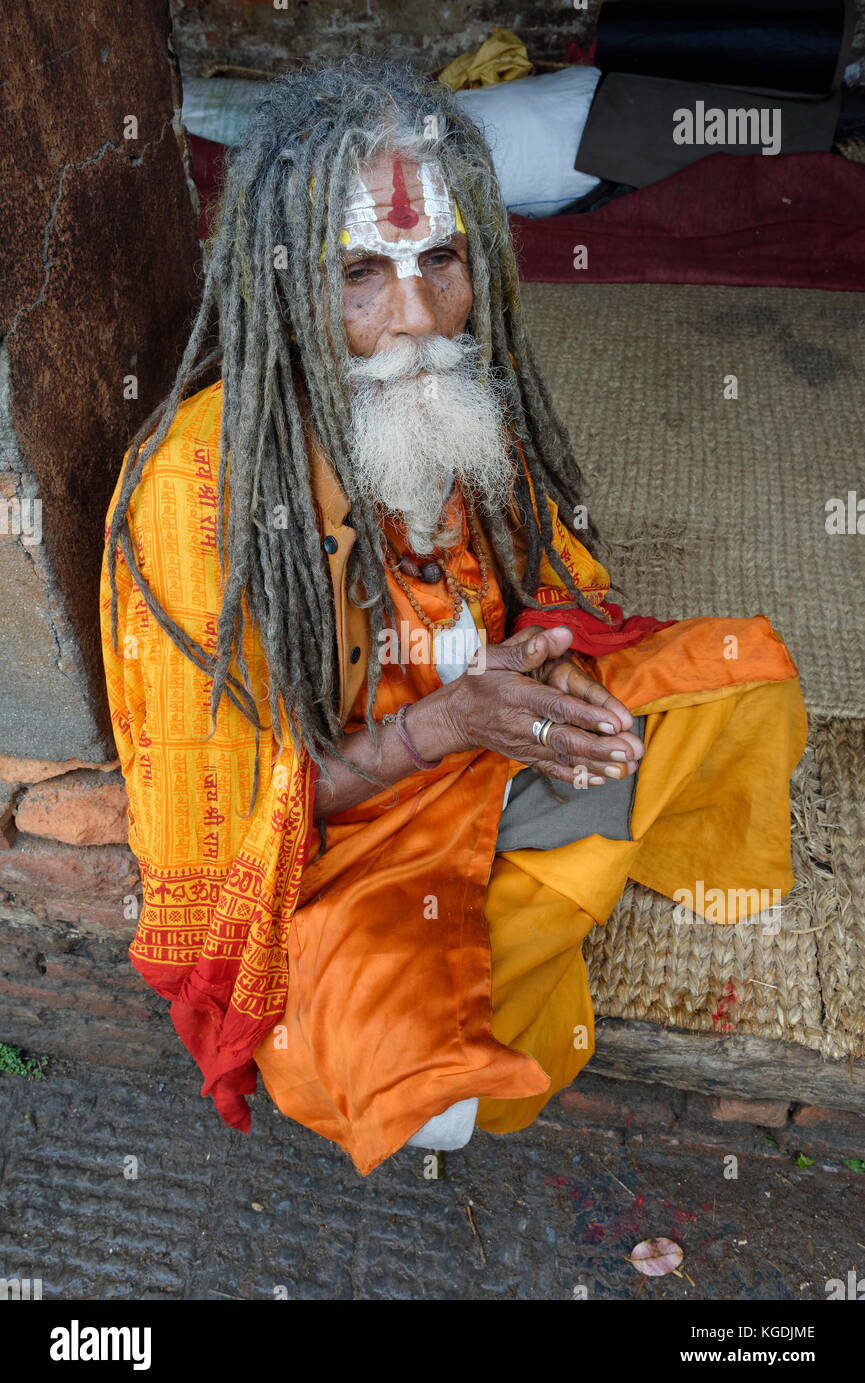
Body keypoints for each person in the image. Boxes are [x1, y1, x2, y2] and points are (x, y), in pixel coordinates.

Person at [100, 57, 807, 1176]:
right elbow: (240, 818)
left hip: (490, 739)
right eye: (359, 275)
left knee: (741, 669)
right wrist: (443, 727)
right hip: (352, 834)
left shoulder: (459, 386)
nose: (416, 319)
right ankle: (507, 915)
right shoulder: (198, 487)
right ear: (284, 281)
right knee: (404, 1067)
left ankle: (521, 889)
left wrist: (555, 659)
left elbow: (548, 574)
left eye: (441, 258)